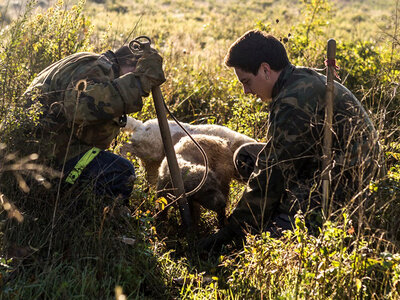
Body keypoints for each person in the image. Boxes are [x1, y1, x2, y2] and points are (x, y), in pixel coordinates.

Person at [198, 30, 381, 251]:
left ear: (265, 70)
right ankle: (279, 211)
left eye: (247, 81)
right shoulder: (296, 79)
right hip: (328, 162)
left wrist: (232, 231)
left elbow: (271, 173)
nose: (246, 91)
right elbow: (275, 159)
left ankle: (291, 218)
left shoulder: (293, 101)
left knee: (274, 240)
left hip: (352, 184)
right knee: (246, 156)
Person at [21, 41, 165, 203]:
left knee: (106, 162)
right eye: (134, 73)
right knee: (121, 172)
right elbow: (80, 108)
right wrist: (138, 83)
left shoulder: (93, 63)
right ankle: (91, 217)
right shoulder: (97, 68)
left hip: (39, 151)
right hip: (40, 161)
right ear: (132, 66)